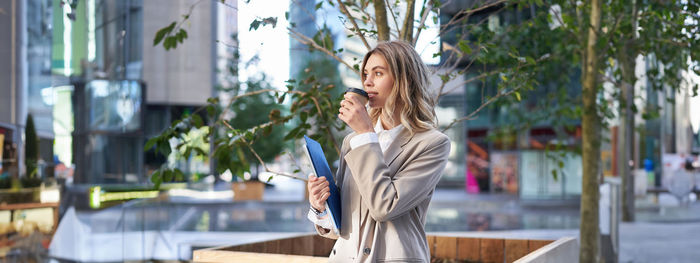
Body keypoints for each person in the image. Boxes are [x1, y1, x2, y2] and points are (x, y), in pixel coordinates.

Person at [306, 40, 451, 262]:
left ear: (405, 80)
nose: (367, 82)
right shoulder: (352, 141)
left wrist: (365, 133)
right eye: (365, 74)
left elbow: (384, 207)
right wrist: (320, 207)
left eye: (378, 73)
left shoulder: (432, 144)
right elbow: (346, 223)